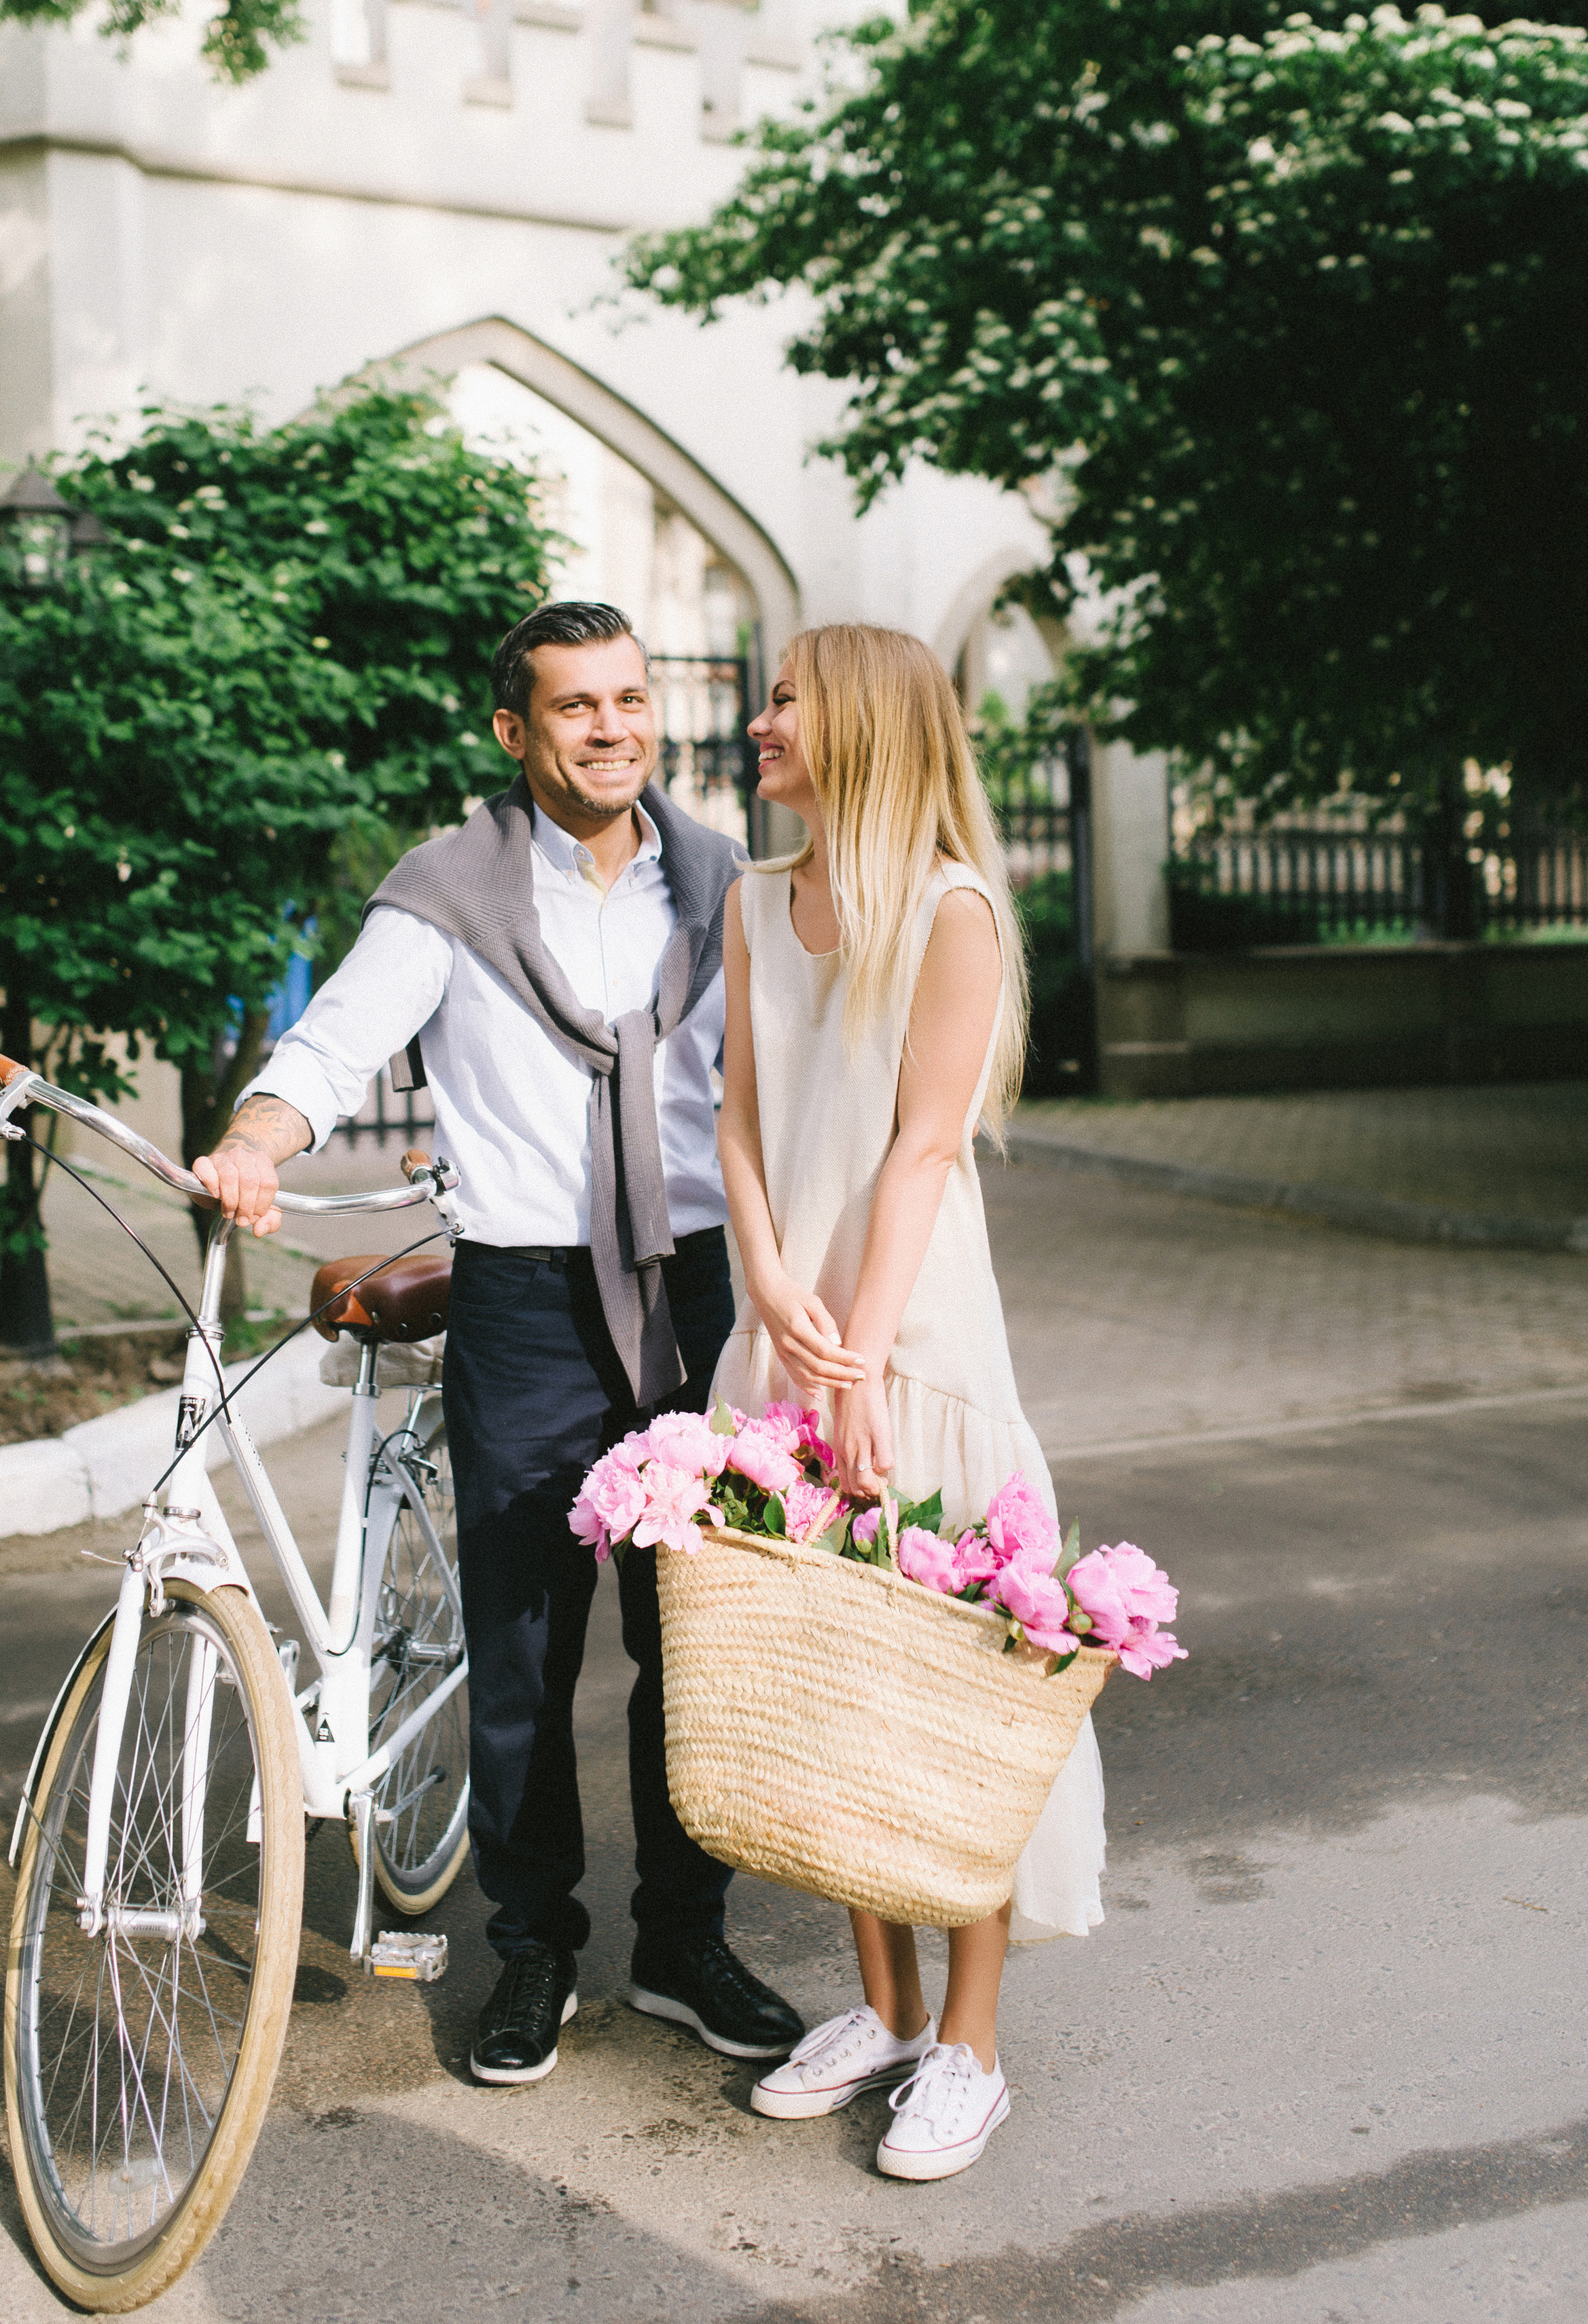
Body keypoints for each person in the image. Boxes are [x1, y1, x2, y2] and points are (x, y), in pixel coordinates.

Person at [194, 601, 802, 2086]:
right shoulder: (448, 890)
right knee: (523, 1643)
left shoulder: (722, 881)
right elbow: (333, 1045)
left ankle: (682, 1938)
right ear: (513, 732)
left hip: (699, 1291)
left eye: (630, 699)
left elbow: (791, 1077)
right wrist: (254, 1139)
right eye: (575, 707)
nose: (612, 729)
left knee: (699, 1643)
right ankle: (532, 1948)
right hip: (527, 1301)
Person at [708, 622, 1107, 2181]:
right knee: (820, 1682)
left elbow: (921, 1152)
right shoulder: (752, 903)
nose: (760, 718)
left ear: (862, 722)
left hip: (910, 1345)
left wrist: (858, 1362)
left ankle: (968, 2043)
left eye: (788, 696)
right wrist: (764, 1287)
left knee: (947, 1694)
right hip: (789, 1328)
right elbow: (739, 1126)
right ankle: (874, 2010)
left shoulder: (950, 910)